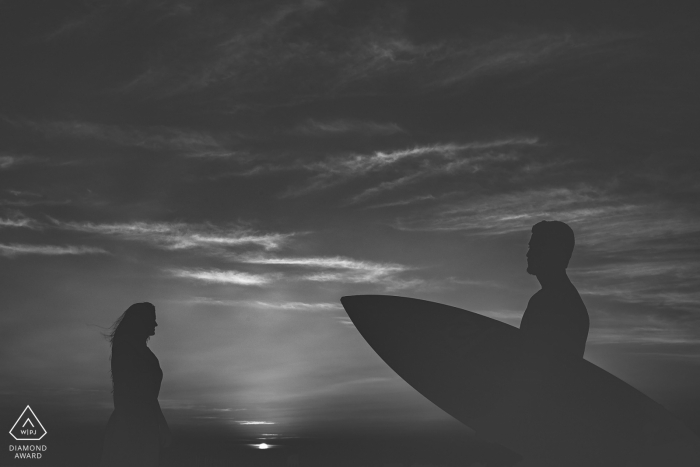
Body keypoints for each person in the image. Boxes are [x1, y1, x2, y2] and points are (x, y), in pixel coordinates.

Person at [100, 302, 172, 467]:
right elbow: (137, 393)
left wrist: (159, 424)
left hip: (142, 424)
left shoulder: (136, 350)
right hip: (132, 426)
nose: (156, 324)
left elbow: (148, 395)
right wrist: (157, 425)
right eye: (152, 319)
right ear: (142, 321)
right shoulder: (128, 350)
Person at [519, 221, 589, 358]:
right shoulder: (564, 298)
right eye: (530, 247)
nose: (528, 254)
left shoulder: (549, 301)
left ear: (553, 253)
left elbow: (531, 356)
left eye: (535, 248)